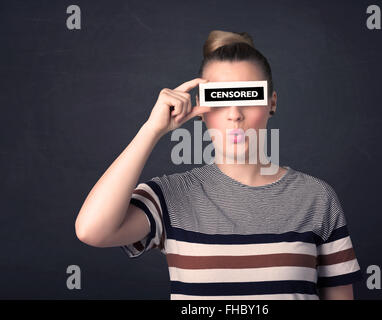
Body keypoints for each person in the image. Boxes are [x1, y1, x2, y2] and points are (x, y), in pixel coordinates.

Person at [75, 30, 364, 300]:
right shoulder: (170, 197)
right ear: (201, 109)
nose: (235, 115)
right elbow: (92, 230)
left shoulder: (317, 198)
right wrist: (151, 130)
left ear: (271, 103)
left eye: (248, 96)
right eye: (222, 98)